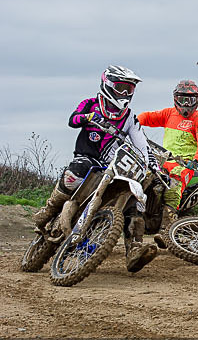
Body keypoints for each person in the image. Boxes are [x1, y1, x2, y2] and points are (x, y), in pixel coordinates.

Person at [31, 65, 159, 272]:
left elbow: (141, 143)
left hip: (113, 167)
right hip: (88, 156)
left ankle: (134, 249)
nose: (125, 93)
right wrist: (89, 118)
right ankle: (49, 209)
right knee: (76, 171)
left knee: (134, 199)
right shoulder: (91, 104)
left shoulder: (129, 117)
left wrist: (153, 165)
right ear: (108, 85)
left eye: (130, 89)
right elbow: (72, 120)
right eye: (121, 88)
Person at [137, 80, 198, 245]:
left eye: (190, 100)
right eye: (183, 99)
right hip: (163, 159)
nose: (186, 103)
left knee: (172, 189)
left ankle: (166, 231)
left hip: (184, 164)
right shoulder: (169, 114)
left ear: (196, 100)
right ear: (175, 98)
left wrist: (195, 160)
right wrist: (132, 124)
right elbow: (146, 117)